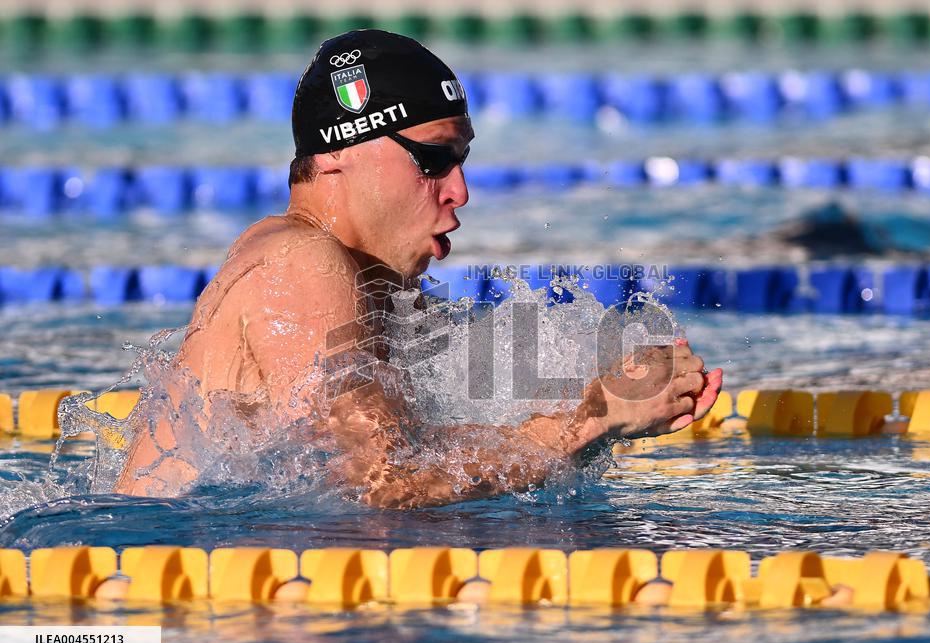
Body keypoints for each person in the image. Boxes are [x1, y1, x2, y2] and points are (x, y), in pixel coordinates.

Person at [113, 30, 724, 508]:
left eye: (461, 160)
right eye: (433, 159)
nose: (460, 190)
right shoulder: (302, 265)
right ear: (339, 153)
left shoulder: (370, 289)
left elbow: (410, 465)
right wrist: (595, 419)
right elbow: (381, 484)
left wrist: (609, 398)